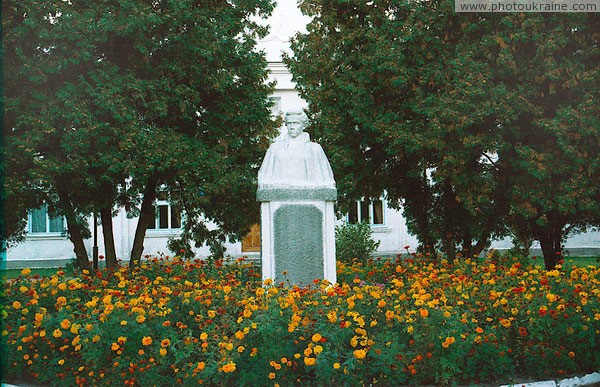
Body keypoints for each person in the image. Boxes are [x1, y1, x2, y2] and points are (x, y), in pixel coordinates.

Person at [258, 108, 335, 189]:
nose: (292, 127)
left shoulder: (315, 149)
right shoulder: (275, 148)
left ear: (303, 125)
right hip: (281, 194)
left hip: (309, 195)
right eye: (289, 123)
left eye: (296, 123)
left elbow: (327, 181)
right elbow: (263, 179)